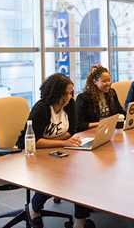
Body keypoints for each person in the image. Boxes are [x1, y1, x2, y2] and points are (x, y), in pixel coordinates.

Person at [15, 73, 94, 228]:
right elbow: (32, 142)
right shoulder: (42, 108)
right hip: (33, 154)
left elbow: (71, 131)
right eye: (65, 94)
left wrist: (56, 142)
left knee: (83, 174)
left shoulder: (69, 104)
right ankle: (33, 208)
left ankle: (80, 221)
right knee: (54, 176)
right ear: (55, 93)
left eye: (71, 93)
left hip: (55, 148)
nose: (69, 97)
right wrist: (61, 142)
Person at [76, 65, 126, 132]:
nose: (108, 83)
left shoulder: (111, 93)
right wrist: (101, 124)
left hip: (109, 131)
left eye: (109, 80)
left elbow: (120, 112)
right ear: (95, 82)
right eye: (104, 81)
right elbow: (79, 125)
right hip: (93, 133)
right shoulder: (83, 98)